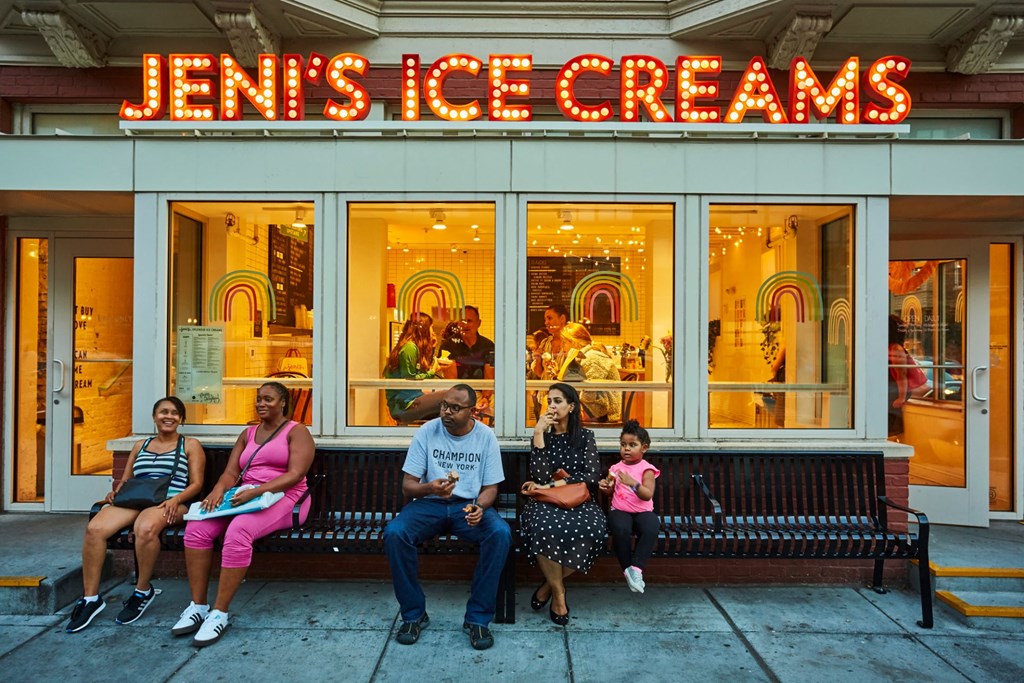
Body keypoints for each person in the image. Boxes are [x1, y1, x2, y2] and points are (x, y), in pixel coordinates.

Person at [176, 381, 314, 647]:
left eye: (268, 399)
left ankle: (219, 613)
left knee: (239, 529)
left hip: (286, 497)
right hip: (246, 496)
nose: (261, 403)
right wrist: (217, 491)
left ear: (283, 402)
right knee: (197, 529)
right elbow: (230, 473)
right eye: (259, 399)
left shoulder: (297, 432)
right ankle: (198, 606)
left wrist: (257, 491)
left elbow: (295, 474)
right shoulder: (248, 433)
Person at [383, 384, 512, 651]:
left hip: (467, 506)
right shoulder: (428, 432)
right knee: (395, 533)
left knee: (500, 534)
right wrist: (430, 488)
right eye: (444, 405)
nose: (446, 412)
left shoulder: (485, 437)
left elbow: (491, 488)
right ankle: (413, 613)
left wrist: (479, 507)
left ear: (472, 411)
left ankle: (477, 619)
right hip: (430, 504)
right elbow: (408, 485)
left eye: (455, 408)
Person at [66, 396, 205, 633]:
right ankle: (90, 599)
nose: (168, 416)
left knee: (145, 527)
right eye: (163, 412)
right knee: (95, 529)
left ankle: (142, 590)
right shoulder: (140, 445)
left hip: (170, 503)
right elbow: (126, 479)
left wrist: (176, 499)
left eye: (174, 413)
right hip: (134, 500)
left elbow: (197, 484)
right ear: (154, 417)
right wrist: (115, 493)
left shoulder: (190, 445)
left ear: (181, 419)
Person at [520, 383, 607, 626]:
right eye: (549, 401)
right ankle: (559, 595)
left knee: (593, 531)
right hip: (545, 503)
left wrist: (555, 485)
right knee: (542, 528)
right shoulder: (543, 436)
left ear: (571, 406)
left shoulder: (585, 437)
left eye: (558, 401)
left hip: (579, 501)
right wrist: (538, 433)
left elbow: (592, 475)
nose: (552, 406)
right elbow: (538, 477)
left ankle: (548, 586)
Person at [599, 420, 660, 594]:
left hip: (642, 512)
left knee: (652, 526)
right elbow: (610, 491)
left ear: (644, 448)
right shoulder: (616, 468)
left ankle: (636, 569)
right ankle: (627, 569)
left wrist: (633, 483)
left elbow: (647, 494)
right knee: (620, 529)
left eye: (632, 445)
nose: (626, 449)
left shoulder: (647, 469)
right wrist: (605, 486)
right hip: (620, 510)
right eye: (623, 444)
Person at [385, 312, 446, 423]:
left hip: (409, 402)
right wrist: (433, 371)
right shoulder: (410, 347)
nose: (432, 332)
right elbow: (410, 378)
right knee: (450, 395)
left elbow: (419, 371)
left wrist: (431, 347)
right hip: (405, 405)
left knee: (445, 412)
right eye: (431, 328)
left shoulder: (411, 347)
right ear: (424, 329)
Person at [559, 322, 621, 422]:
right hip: (595, 407)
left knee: (551, 403)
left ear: (574, 342)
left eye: (564, 342)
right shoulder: (582, 357)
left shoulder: (592, 357)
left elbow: (590, 392)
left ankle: (546, 435)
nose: (561, 346)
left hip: (603, 412)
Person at [440, 305, 495, 379]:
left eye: (469, 321)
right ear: (458, 323)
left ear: (478, 323)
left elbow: (490, 379)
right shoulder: (447, 346)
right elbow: (451, 383)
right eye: (462, 321)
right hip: (457, 389)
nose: (465, 325)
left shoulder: (490, 346)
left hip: (481, 390)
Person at [529, 304, 569, 380]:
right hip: (545, 390)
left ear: (562, 319)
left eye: (549, 318)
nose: (546, 323)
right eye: (545, 319)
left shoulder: (572, 343)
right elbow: (540, 374)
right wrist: (538, 359)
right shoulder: (545, 342)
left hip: (564, 390)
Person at [888, 314, 910, 439]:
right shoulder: (891, 347)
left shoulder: (895, 348)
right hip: (891, 390)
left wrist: (901, 397)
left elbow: (901, 374)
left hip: (894, 392)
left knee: (892, 427)